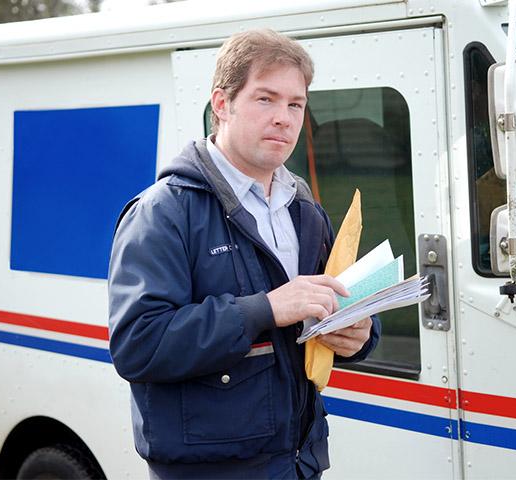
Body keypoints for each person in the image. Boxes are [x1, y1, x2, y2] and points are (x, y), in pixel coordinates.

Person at [108, 29, 381, 480]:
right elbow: (138, 345)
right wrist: (266, 308)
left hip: (298, 462)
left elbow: (332, 298)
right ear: (221, 104)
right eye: (265, 99)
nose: (284, 118)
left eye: (295, 104)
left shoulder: (304, 209)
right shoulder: (163, 211)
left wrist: (360, 333)